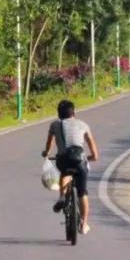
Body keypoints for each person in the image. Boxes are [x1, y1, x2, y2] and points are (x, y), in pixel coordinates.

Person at [41, 99, 99, 234]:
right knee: (82, 192)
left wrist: (46, 153)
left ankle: (62, 197)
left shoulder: (55, 125)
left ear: (59, 114)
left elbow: (49, 144)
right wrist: (91, 157)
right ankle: (84, 224)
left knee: (64, 172)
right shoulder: (83, 125)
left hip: (63, 159)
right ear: (74, 113)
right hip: (80, 160)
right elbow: (93, 150)